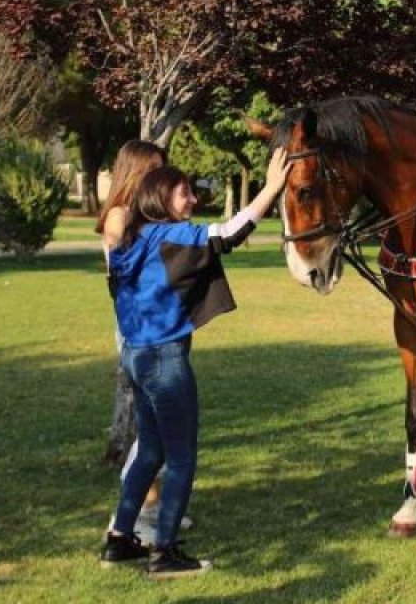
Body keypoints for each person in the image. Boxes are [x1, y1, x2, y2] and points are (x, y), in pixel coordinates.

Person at [100, 148, 289, 578]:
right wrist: (272, 189)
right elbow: (228, 233)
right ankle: (163, 551)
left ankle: (120, 539)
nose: (192, 202)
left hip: (136, 357)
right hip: (164, 362)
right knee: (182, 457)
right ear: (164, 199)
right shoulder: (171, 236)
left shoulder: (138, 237)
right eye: (185, 194)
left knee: (150, 448)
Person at [96, 141, 174, 538]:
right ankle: (134, 517)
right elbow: (120, 255)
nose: (158, 178)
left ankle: (154, 507)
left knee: (156, 428)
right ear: (133, 173)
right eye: (152, 170)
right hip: (140, 335)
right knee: (149, 431)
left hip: (154, 331)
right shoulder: (121, 217)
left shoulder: (143, 218)